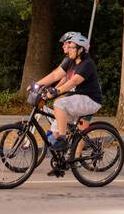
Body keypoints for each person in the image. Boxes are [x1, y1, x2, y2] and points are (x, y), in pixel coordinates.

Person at [33, 32, 103, 163]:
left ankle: (64, 141)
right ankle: (62, 162)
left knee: (59, 104)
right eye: (68, 46)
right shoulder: (69, 61)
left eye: (71, 47)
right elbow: (55, 76)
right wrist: (37, 84)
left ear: (80, 49)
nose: (68, 49)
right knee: (54, 131)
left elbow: (73, 82)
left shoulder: (87, 64)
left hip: (90, 100)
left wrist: (56, 91)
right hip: (77, 99)